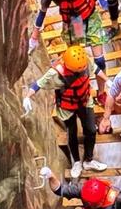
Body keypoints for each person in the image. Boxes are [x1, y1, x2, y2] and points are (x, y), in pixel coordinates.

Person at [24, 46, 108, 178]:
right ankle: (76, 162)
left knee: (91, 129)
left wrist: (107, 80)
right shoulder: (55, 73)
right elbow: (38, 84)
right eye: (77, 70)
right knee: (72, 132)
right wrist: (27, 97)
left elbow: (96, 69)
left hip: (85, 101)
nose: (81, 71)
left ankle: (89, 160)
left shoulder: (84, 61)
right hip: (66, 106)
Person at [29, 0, 108, 86]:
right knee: (76, 58)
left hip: (90, 16)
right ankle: (82, 85)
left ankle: (102, 92)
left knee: (100, 61)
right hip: (74, 21)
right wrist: (33, 39)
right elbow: (42, 12)